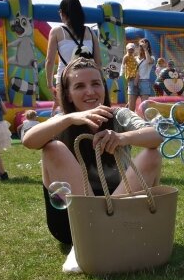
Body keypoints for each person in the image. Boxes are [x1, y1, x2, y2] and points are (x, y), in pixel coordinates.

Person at [22, 57, 163, 246]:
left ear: (104, 88)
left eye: (96, 84)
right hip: (73, 222)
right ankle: (91, 235)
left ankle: (102, 233)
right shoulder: (62, 120)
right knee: (52, 148)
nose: (90, 91)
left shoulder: (118, 115)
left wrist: (122, 138)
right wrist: (70, 119)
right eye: (79, 86)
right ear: (69, 94)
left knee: (151, 154)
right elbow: (29, 140)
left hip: (119, 211)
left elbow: (156, 136)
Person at [44, 0, 103, 110]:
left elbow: (49, 61)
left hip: (65, 80)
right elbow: (98, 62)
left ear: (62, 13)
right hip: (87, 81)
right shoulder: (90, 32)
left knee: (68, 117)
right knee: (89, 114)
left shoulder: (57, 31)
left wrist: (49, 84)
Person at [121, 43, 140, 112]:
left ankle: (128, 105)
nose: (131, 51)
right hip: (130, 76)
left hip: (136, 76)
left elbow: (138, 64)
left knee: (135, 94)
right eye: (129, 50)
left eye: (132, 50)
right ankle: (129, 108)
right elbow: (123, 65)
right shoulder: (126, 57)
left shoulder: (135, 57)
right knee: (132, 92)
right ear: (127, 50)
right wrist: (121, 72)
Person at [136, 38, 155, 103]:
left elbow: (149, 61)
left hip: (144, 82)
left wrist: (145, 49)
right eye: (141, 45)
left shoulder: (152, 57)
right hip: (134, 81)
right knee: (131, 104)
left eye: (145, 45)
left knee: (144, 105)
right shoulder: (135, 58)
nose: (142, 47)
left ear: (148, 47)